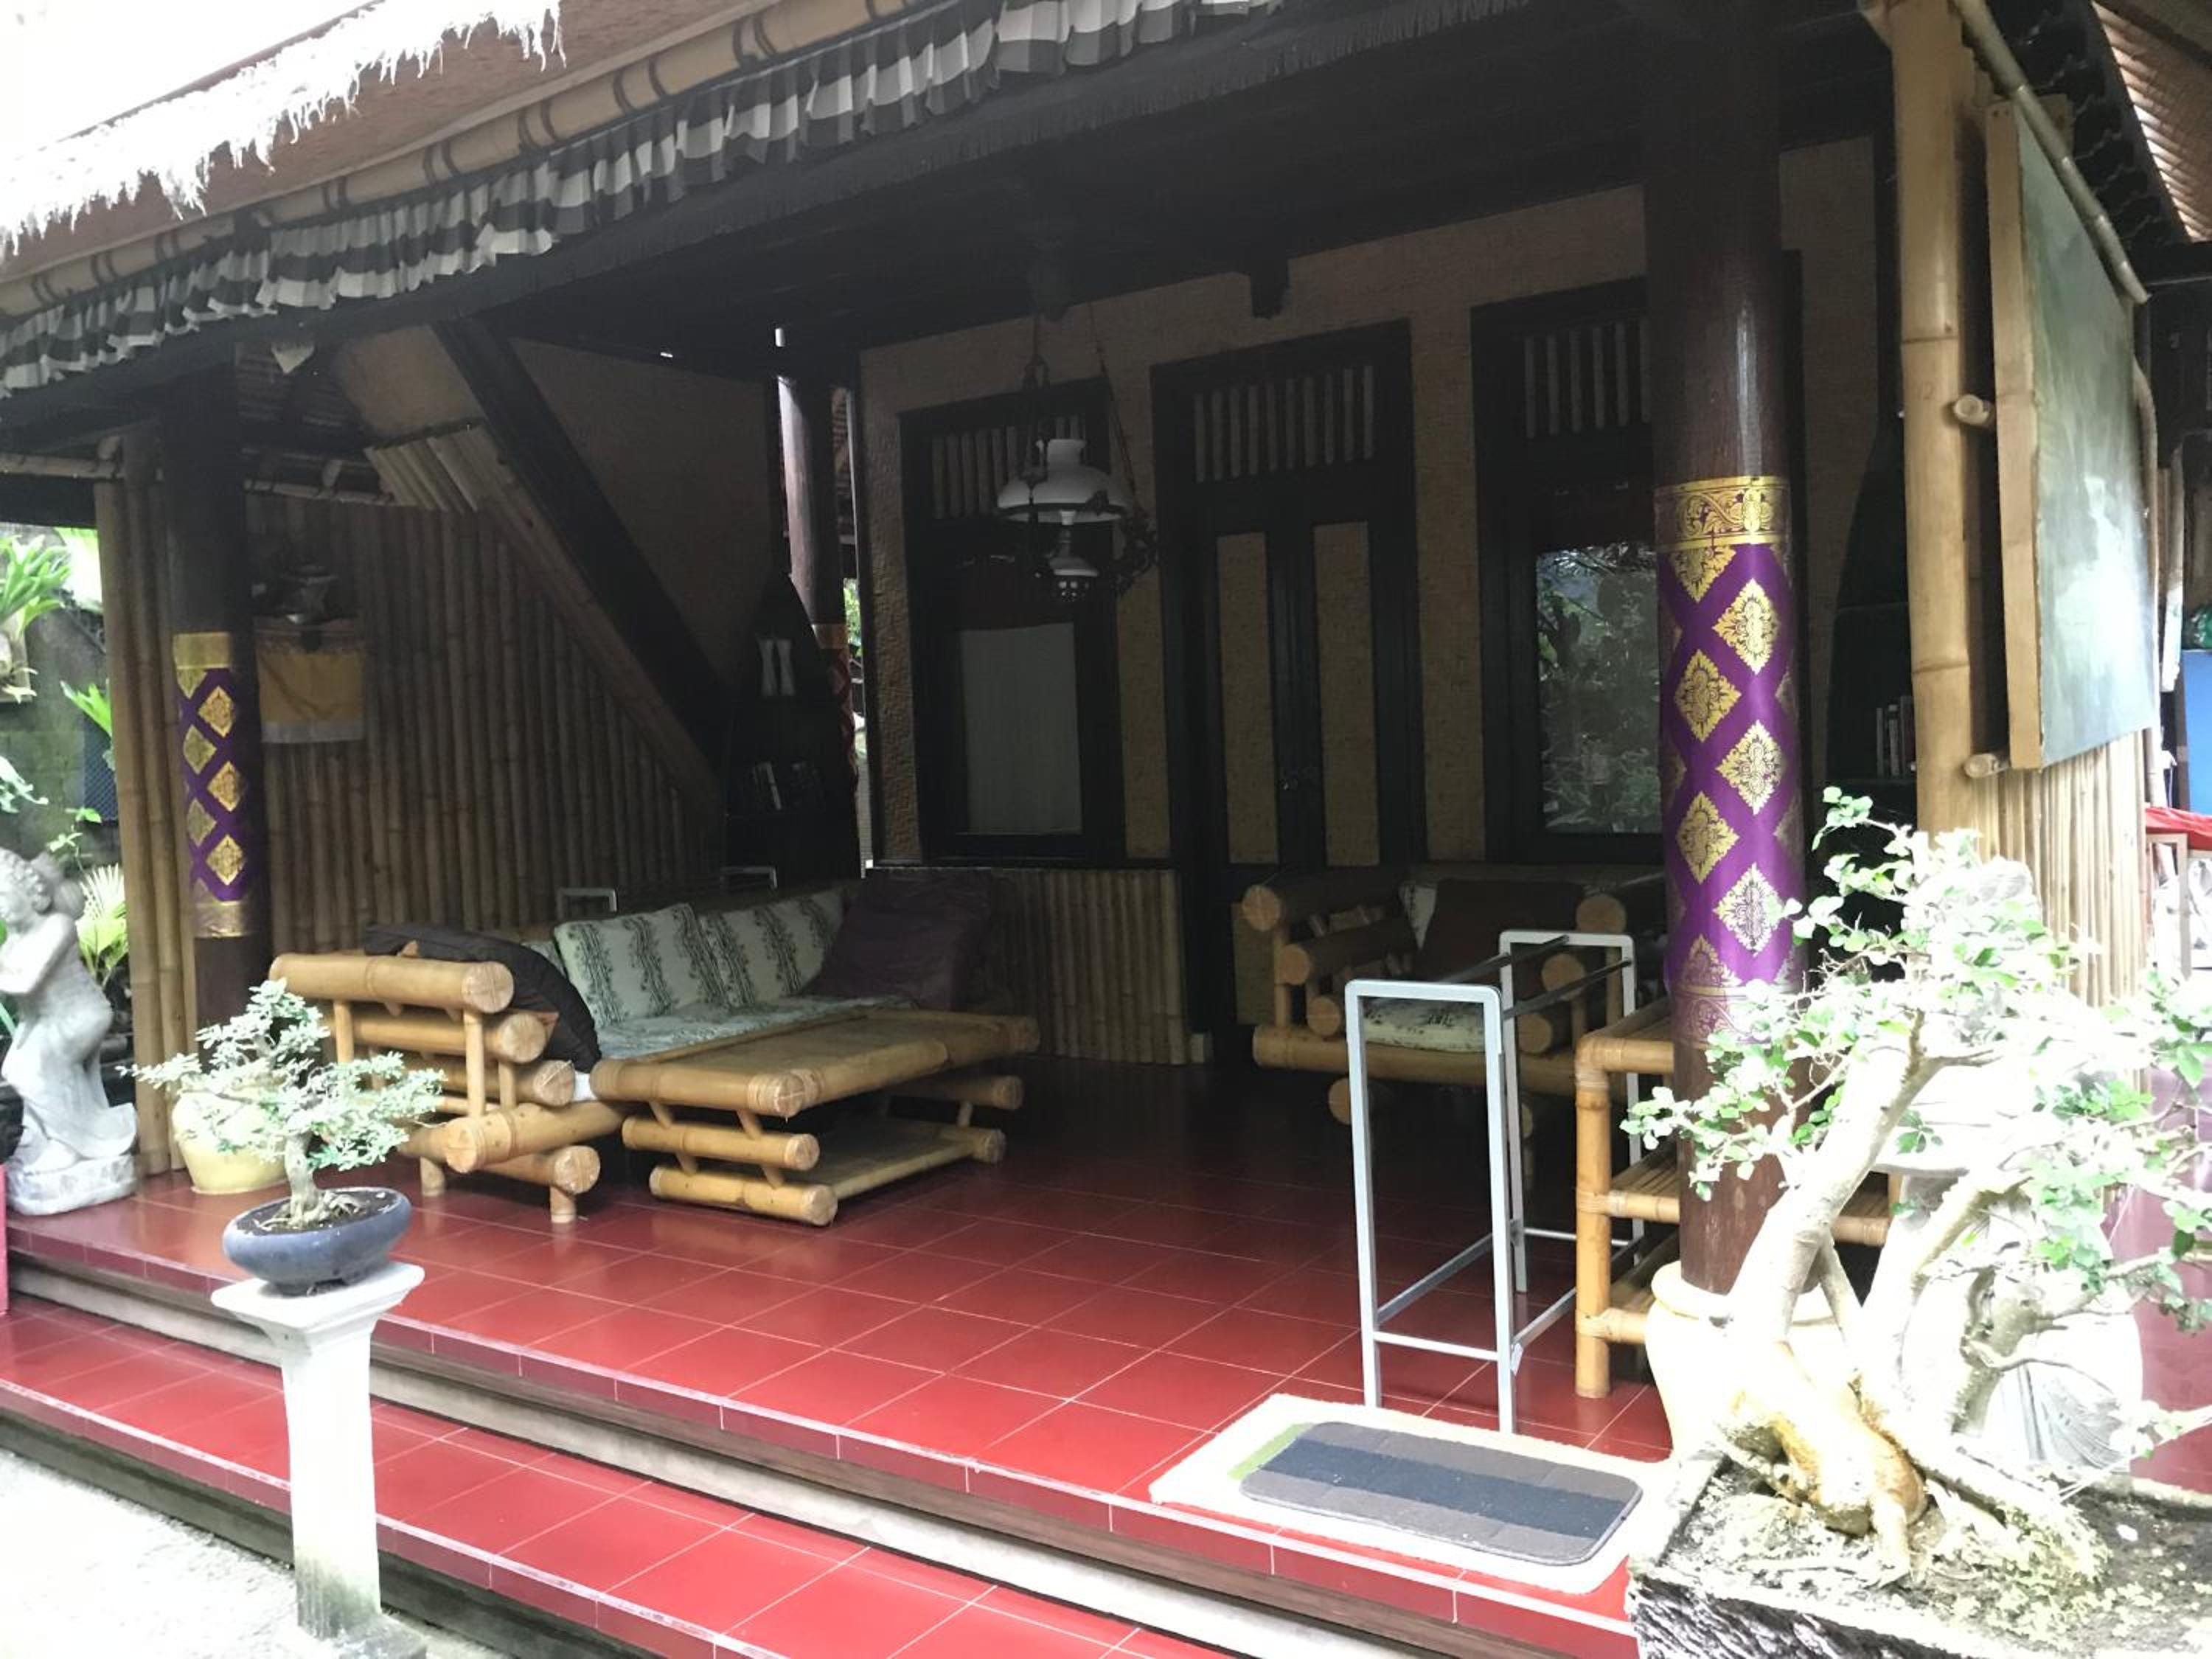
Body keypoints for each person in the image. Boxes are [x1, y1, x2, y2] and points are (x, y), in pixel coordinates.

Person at [0, 849, 133, 1211]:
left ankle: (70, 1144)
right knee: (14, 1067)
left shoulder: (56, 927)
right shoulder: (12, 942)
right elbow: (28, 1009)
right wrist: (23, 1042)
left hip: (82, 1014)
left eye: (4, 896)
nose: (1, 908)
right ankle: (44, 1136)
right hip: (46, 1020)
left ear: (28, 893)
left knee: (34, 1071)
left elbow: (26, 983)